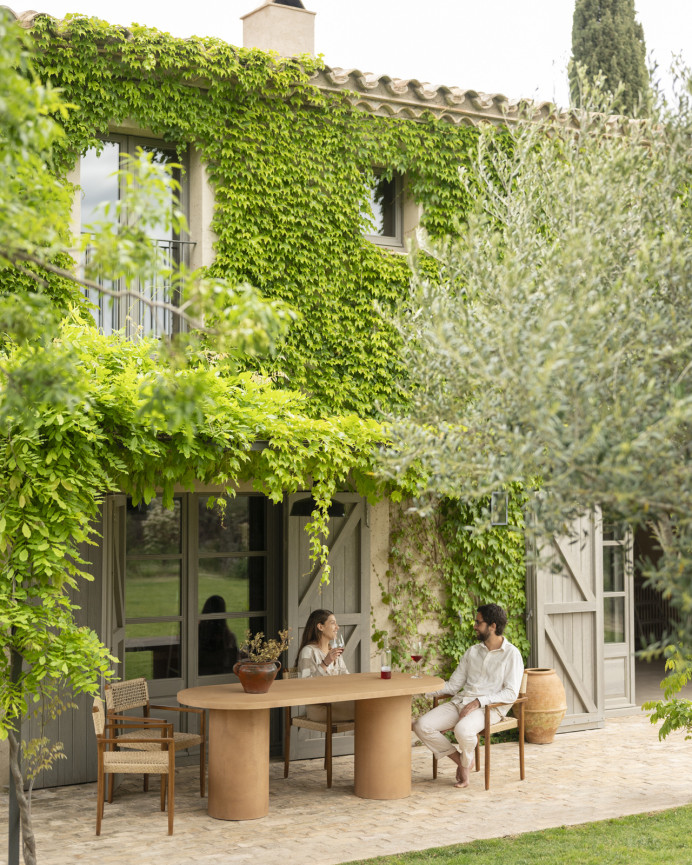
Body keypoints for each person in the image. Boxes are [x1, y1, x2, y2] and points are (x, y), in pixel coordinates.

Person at [412, 603, 523, 789]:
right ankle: (463, 760)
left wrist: (479, 701)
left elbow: (511, 692)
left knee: (462, 730)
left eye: (478, 622)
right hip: (461, 702)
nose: (474, 626)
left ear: (493, 626)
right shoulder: (472, 651)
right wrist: (422, 689)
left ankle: (465, 763)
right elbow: (454, 685)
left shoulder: (512, 654)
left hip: (489, 709)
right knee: (421, 725)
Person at [296, 608, 354, 722]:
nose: (337, 627)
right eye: (333, 623)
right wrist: (325, 663)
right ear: (320, 627)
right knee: (367, 709)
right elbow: (305, 686)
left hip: (337, 701)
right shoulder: (308, 651)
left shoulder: (334, 652)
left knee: (368, 705)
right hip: (320, 708)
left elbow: (346, 677)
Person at [198, 594, 238, 676]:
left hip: (201, 673)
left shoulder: (198, 633)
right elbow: (233, 661)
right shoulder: (228, 637)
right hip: (223, 673)